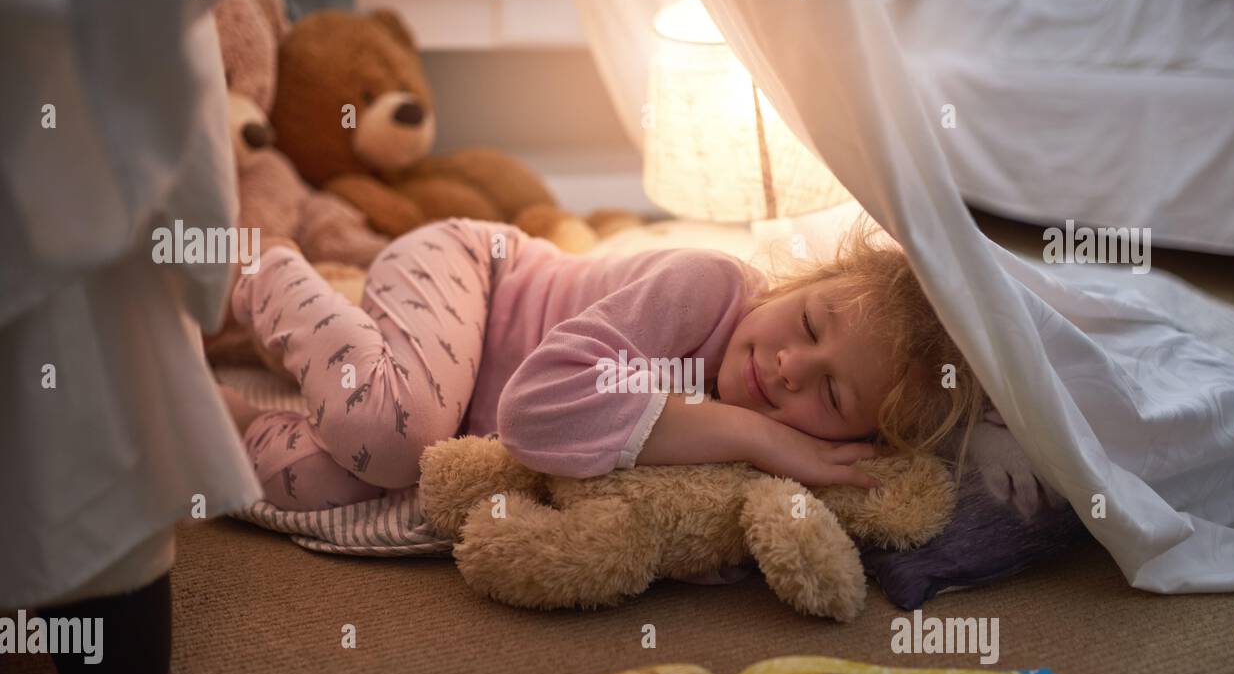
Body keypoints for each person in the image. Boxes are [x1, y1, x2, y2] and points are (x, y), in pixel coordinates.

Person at [223, 213, 1060, 518]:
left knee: (330, 483)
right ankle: (269, 277)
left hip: (450, 386)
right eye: (806, 321)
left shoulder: (810, 432)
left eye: (833, 392)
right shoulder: (703, 286)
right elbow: (535, 413)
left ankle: (230, 412)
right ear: (798, 284)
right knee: (398, 436)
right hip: (475, 272)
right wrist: (758, 437)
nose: (788, 366)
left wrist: (992, 442)